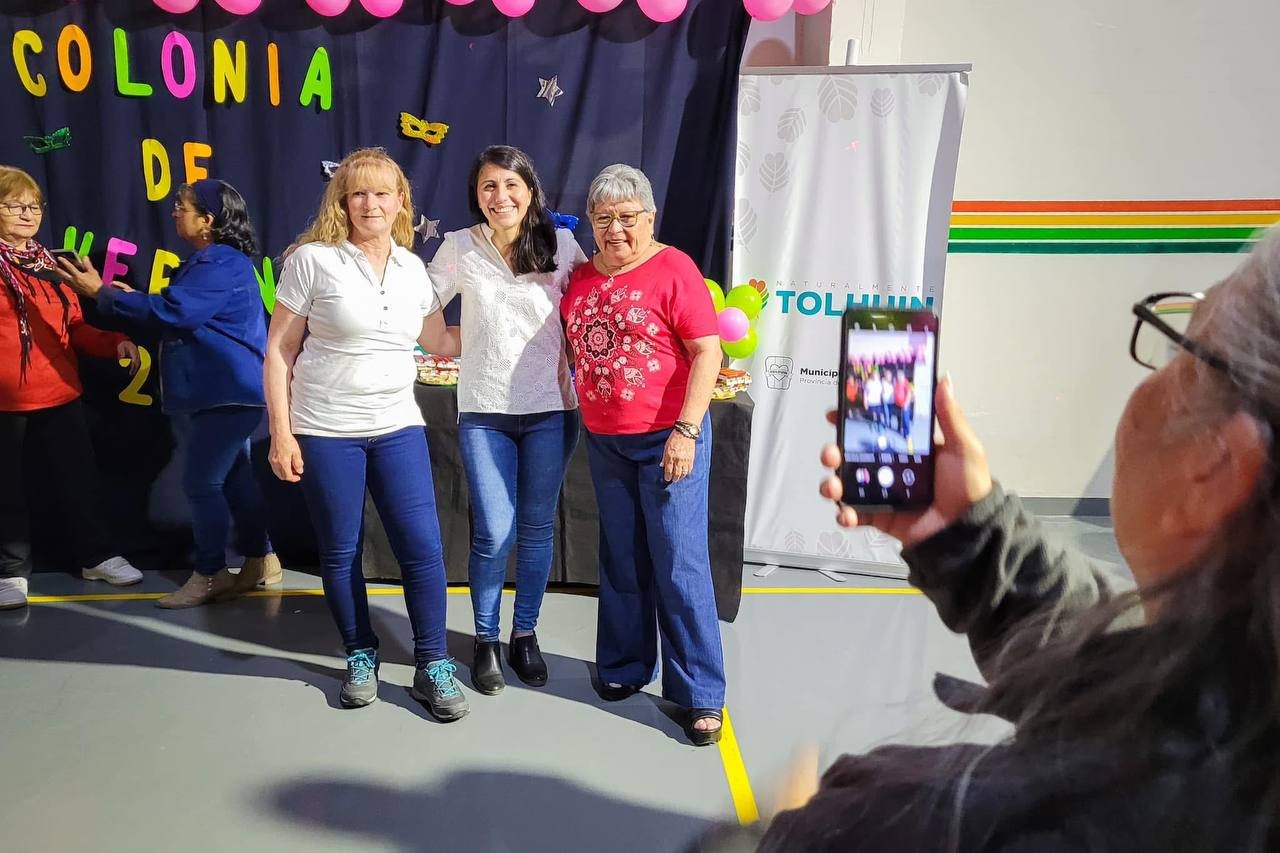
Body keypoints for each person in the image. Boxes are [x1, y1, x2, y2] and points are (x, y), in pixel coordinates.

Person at [722, 227, 1280, 850]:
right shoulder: (1240, 694)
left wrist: (779, 830)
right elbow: (1141, 676)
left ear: (1219, 462)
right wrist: (971, 537)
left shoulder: (913, 829)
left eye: (1182, 347)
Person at [265, 148, 468, 722]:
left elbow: (440, 343)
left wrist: (514, 318)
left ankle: (433, 662)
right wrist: (281, 433)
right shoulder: (313, 261)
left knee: (423, 549)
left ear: (401, 202)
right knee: (340, 551)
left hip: (397, 425)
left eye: (382, 193)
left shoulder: (411, 269)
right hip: (326, 428)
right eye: (358, 193)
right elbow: (279, 351)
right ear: (342, 201)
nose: (370, 204)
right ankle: (360, 653)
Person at [58, 179, 282, 609]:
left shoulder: (218, 262)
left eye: (182, 206)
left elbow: (176, 313)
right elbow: (186, 310)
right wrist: (134, 299)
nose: (175, 211)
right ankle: (262, 560)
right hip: (227, 393)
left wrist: (101, 293)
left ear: (208, 220)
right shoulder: (218, 262)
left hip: (223, 393)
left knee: (202, 483)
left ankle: (211, 573)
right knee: (235, 481)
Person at [561, 164, 726, 746]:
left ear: (649, 218)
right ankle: (626, 666)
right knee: (623, 558)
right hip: (606, 440)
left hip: (668, 438)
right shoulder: (581, 276)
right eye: (603, 218)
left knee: (679, 562)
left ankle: (700, 693)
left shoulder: (674, 268)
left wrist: (686, 430)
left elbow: (708, 352)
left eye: (627, 217)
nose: (615, 229)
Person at [426, 145, 585, 695]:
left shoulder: (561, 244)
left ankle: (525, 634)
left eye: (511, 185)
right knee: (495, 530)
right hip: (485, 411)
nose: (501, 197)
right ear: (476, 194)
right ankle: (486, 639)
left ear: (530, 190)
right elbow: (421, 303)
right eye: (489, 186)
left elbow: (590, 307)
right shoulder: (459, 247)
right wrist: (448, 341)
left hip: (551, 410)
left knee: (537, 530)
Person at [0, 165, 143, 610]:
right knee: (8, 490)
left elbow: (75, 328)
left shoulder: (51, 263)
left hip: (61, 392)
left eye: (34, 206)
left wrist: (114, 342)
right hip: (6, 401)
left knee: (80, 480)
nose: (28, 214)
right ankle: (9, 572)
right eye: (15, 206)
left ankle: (96, 557)